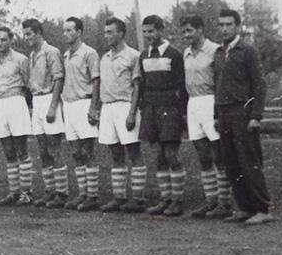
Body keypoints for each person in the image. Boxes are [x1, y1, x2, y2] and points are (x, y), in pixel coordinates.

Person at [214, 9, 273, 225]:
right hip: (224, 112)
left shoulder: (248, 51)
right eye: (221, 25)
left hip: (243, 112)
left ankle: (262, 208)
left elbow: (260, 84)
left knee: (249, 161)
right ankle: (245, 207)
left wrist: (256, 115)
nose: (224, 29)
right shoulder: (219, 52)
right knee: (231, 163)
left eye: (229, 24)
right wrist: (216, 114)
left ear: (238, 26)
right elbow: (217, 86)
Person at [180, 15, 232, 219]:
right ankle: (210, 201)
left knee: (219, 154)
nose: (186, 35)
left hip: (211, 101)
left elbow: (221, 82)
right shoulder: (186, 52)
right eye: (184, 31)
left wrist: (218, 110)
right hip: (193, 103)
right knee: (203, 155)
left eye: (189, 30)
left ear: (200, 29)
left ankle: (225, 203)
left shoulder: (215, 50)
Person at [139, 15, 188, 217]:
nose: (148, 35)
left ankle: (177, 201)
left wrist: (181, 112)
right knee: (158, 156)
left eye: (151, 31)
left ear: (160, 30)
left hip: (170, 108)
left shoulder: (174, 55)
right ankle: (165, 199)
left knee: (171, 154)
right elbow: (142, 84)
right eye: (145, 31)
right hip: (151, 108)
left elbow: (182, 85)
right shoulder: (144, 56)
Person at [98, 17, 145, 213]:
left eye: (110, 32)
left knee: (133, 152)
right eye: (105, 32)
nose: (107, 35)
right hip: (108, 108)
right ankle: (119, 197)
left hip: (126, 106)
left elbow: (137, 87)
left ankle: (139, 198)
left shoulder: (133, 56)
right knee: (115, 153)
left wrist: (132, 112)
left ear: (121, 33)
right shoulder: (105, 57)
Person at [22, 18, 67, 208]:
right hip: (37, 101)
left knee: (54, 147)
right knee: (42, 149)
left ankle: (62, 193)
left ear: (39, 33)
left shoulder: (52, 52)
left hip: (49, 99)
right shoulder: (32, 55)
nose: (26, 38)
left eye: (29, 34)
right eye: (24, 34)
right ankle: (50, 190)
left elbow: (58, 79)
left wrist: (52, 106)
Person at [61, 17, 101, 212]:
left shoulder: (89, 53)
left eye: (70, 30)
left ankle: (92, 195)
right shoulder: (65, 55)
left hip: (84, 103)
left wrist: (93, 107)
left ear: (79, 32)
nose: (66, 34)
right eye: (64, 31)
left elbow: (96, 81)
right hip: (69, 106)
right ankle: (83, 193)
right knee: (76, 153)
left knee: (88, 151)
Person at [0, 26, 33, 206]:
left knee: (21, 150)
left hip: (16, 102)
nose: (0, 43)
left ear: (10, 40)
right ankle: (14, 192)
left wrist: (27, 106)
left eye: (3, 39)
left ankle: (26, 192)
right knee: (8, 151)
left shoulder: (21, 59)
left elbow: (29, 84)